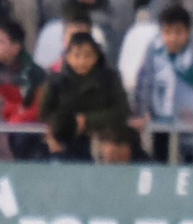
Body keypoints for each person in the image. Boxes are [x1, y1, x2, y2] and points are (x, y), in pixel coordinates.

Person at [132, 4, 193, 163]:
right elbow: (144, 81)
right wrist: (141, 112)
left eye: (178, 32)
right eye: (167, 32)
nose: (172, 38)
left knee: (191, 163)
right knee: (161, 162)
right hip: (161, 119)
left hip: (191, 120)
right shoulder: (153, 48)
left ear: (187, 32)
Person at [37, 30, 130, 160]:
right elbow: (45, 112)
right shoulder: (55, 81)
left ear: (96, 56)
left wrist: (87, 120)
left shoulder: (110, 78)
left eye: (87, 55)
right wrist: (67, 125)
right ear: (67, 57)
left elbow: (122, 110)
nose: (82, 61)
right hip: (65, 139)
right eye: (77, 55)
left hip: (103, 138)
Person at [0, 17, 48, 158]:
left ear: (16, 47)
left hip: (23, 128)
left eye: (0, 42)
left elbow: (36, 107)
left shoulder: (33, 73)